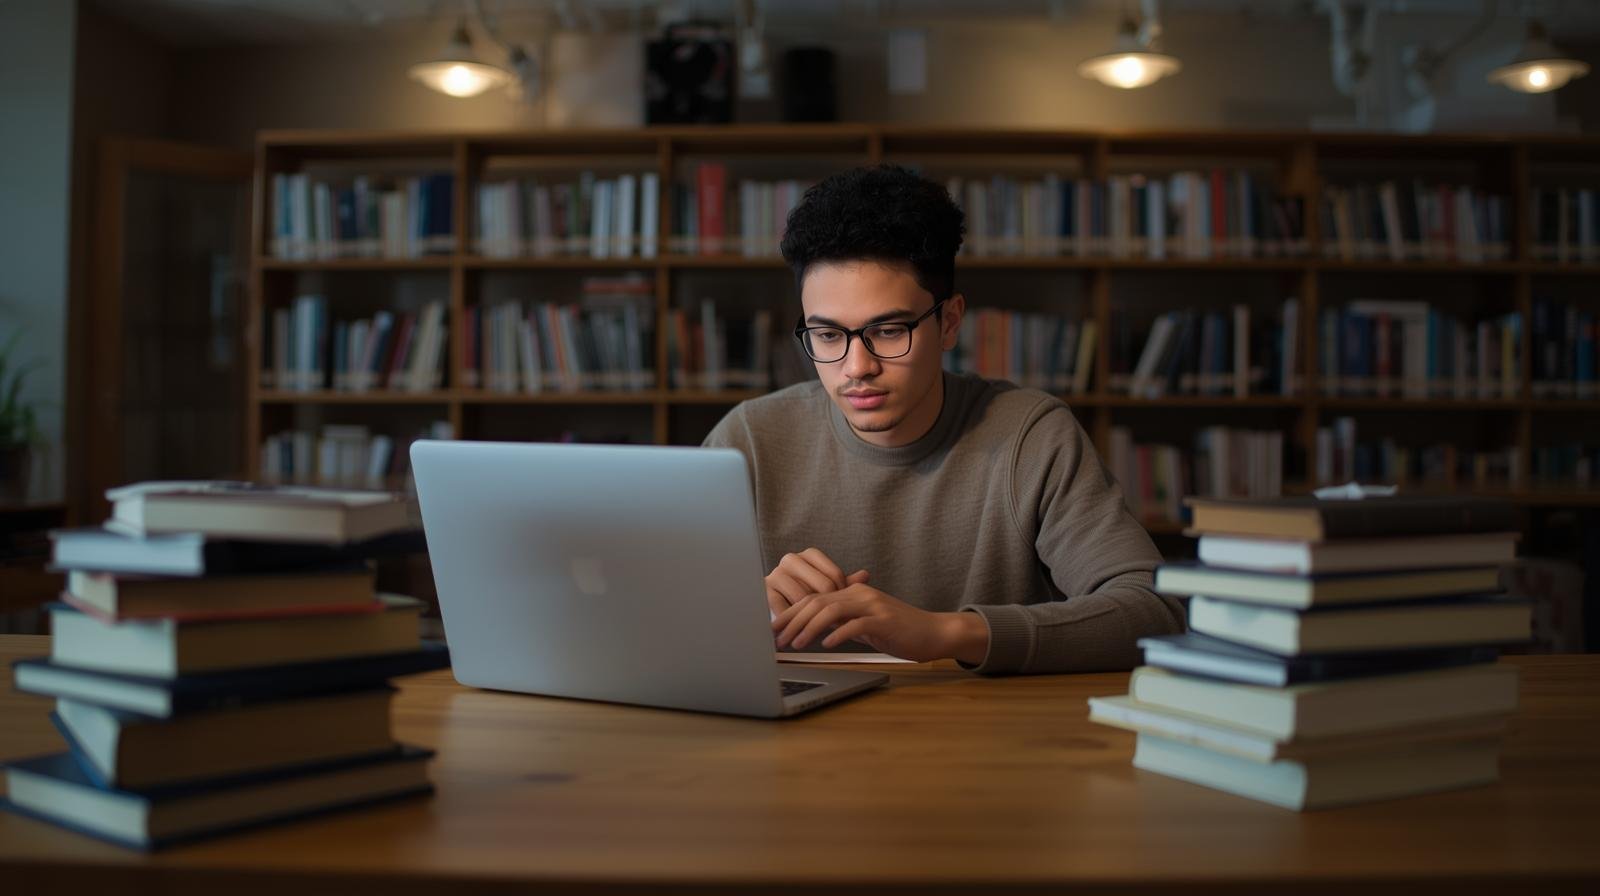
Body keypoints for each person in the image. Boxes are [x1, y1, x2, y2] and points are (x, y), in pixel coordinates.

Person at [703, 164, 1184, 674]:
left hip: (977, 724)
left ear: (949, 322)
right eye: (827, 335)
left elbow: (1155, 612)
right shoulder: (748, 440)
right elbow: (657, 610)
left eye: (888, 331)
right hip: (791, 720)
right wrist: (735, 606)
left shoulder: (1032, 437)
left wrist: (944, 633)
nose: (856, 367)